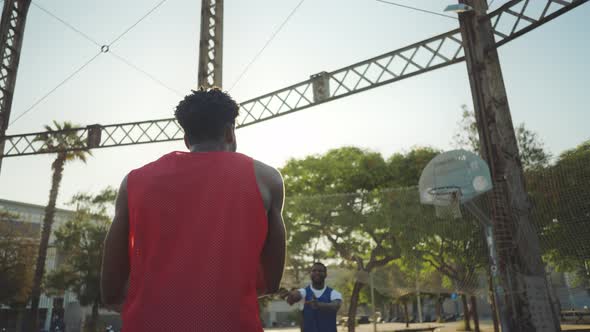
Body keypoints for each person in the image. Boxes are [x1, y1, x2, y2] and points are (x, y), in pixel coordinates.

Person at [100, 88, 286, 331]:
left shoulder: (134, 182)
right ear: (230, 132)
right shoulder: (266, 180)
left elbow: (111, 290)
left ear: (187, 138)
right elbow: (270, 282)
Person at [286, 262, 342, 332]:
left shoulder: (334, 293)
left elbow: (335, 306)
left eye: (320, 271)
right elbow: (295, 297)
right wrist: (291, 296)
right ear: (310, 274)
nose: (317, 273)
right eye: (314, 271)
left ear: (325, 274)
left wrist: (319, 305)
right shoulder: (304, 292)